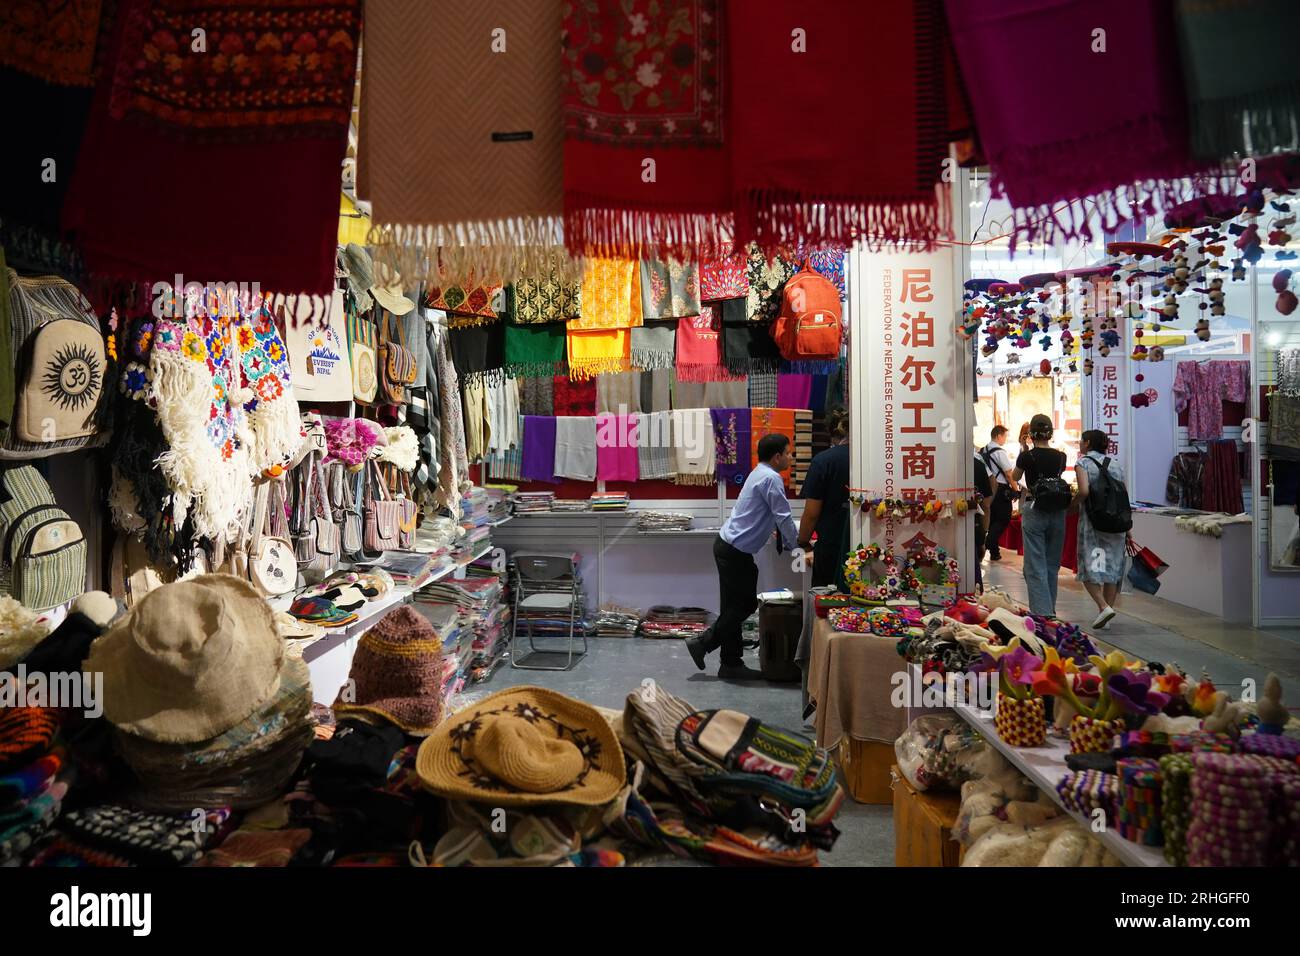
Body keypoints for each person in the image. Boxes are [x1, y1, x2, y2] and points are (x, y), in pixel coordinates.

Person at [686, 433, 798, 680]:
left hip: (729, 546)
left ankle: (730, 663)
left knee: (731, 608)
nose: (791, 458)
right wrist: (797, 545)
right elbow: (783, 517)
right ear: (777, 456)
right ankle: (702, 643)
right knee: (745, 605)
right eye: (789, 453)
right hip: (735, 551)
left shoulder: (759, 472)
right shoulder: (772, 479)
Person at [1012, 414, 1069, 616]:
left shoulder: (1027, 456)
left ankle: (1043, 614)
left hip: (1035, 509)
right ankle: (1049, 608)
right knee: (1052, 564)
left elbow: (1015, 477)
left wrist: (1024, 448)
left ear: (1031, 434)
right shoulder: (1061, 456)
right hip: (1058, 511)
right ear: (1050, 432)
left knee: (1035, 564)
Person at [1075, 429, 1129, 629]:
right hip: (1116, 525)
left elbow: (1083, 491)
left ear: (1087, 443)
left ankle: (1103, 606)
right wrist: (1128, 527)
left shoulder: (1083, 463)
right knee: (1112, 570)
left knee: (1090, 567)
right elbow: (1124, 495)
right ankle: (1105, 613)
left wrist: (1072, 506)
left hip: (1093, 524)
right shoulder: (1116, 465)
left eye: (1081, 441)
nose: (1080, 444)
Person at [798, 409, 850, 587]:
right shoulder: (874, 459)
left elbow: (812, 512)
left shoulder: (824, 461)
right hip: (867, 542)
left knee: (826, 603)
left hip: (830, 544)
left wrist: (803, 542)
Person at [979, 425, 1020, 561]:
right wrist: (1015, 489)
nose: (1005, 439)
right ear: (998, 436)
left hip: (988, 488)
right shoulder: (999, 451)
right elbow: (1009, 474)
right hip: (1001, 488)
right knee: (1003, 518)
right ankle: (988, 543)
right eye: (1005, 436)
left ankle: (995, 552)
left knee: (993, 519)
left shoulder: (983, 450)